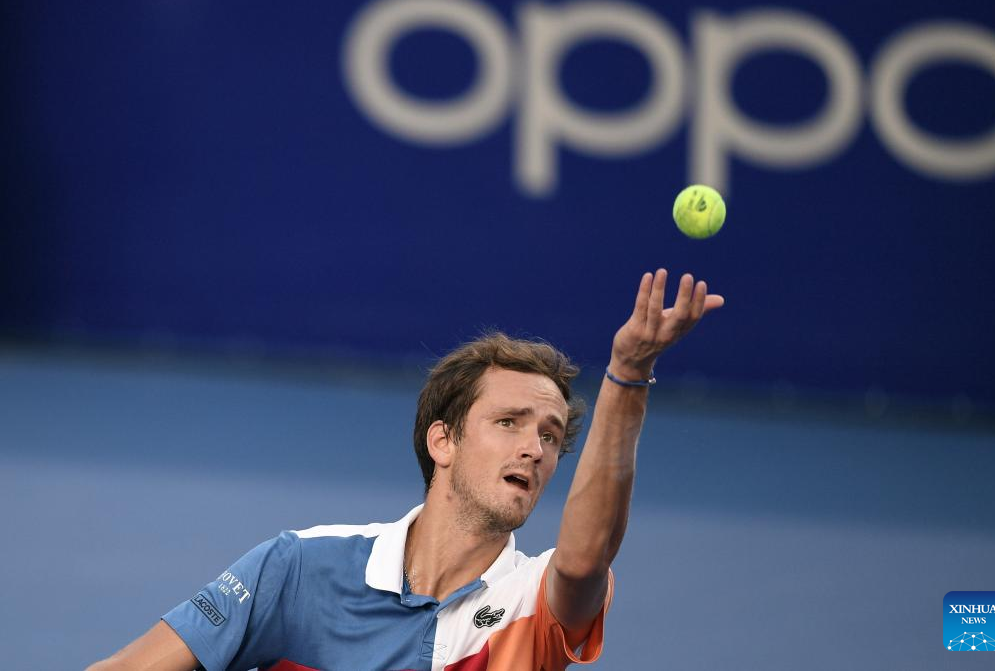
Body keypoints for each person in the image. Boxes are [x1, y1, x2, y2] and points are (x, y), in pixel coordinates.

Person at [87, 269, 723, 671]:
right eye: (508, 422)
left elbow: (585, 560)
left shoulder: (532, 602)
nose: (534, 448)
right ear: (442, 441)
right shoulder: (300, 568)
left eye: (550, 435)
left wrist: (627, 376)